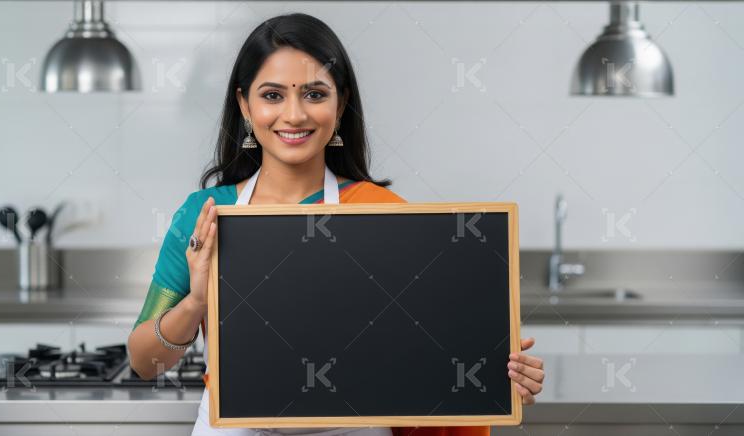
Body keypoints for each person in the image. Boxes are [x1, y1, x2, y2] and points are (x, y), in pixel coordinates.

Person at [127, 12, 545, 436]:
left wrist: (499, 378)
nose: (294, 115)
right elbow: (145, 363)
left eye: (314, 94)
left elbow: (432, 355)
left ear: (341, 104)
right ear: (245, 105)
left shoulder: (385, 215)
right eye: (272, 95)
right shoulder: (204, 217)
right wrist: (197, 302)